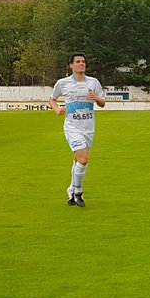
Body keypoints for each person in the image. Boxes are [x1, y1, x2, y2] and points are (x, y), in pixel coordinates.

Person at [49, 53, 107, 208]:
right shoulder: (63, 83)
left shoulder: (93, 82)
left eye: (83, 62)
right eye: (78, 62)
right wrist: (57, 109)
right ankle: (78, 192)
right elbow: (52, 99)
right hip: (72, 127)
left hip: (88, 127)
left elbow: (102, 103)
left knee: (78, 160)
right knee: (83, 159)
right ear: (71, 65)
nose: (81, 64)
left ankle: (71, 189)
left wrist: (96, 98)